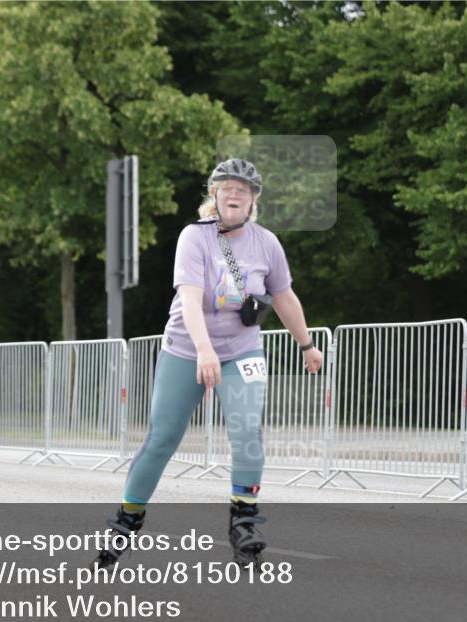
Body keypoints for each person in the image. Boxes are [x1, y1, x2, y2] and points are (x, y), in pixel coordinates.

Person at [94, 158, 323, 568]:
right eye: (226, 188)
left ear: (254, 200)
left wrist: (307, 344)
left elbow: (284, 296)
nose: (234, 194)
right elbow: (189, 297)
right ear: (213, 196)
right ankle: (128, 518)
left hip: (242, 351)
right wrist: (203, 350)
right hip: (187, 347)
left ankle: (244, 519)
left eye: (243, 189)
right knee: (162, 438)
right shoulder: (194, 237)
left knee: (248, 429)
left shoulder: (267, 243)